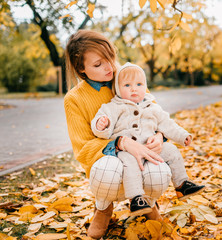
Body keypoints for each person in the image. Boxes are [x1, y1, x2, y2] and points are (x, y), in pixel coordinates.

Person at [64, 30, 172, 239]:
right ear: (81, 68)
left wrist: (159, 136)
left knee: (160, 169)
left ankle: (148, 203)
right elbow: (83, 149)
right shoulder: (74, 99)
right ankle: (104, 208)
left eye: (110, 58)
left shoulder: (126, 75)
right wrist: (121, 143)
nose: (110, 67)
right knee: (110, 167)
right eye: (98, 65)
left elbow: (155, 113)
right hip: (107, 166)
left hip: (142, 156)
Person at [91, 63, 205, 217]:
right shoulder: (113, 107)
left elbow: (168, 124)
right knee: (129, 164)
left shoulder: (152, 107)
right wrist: (102, 124)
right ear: (118, 88)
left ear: (145, 86)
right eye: (127, 85)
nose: (134, 89)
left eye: (139, 84)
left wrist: (183, 136)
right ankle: (136, 198)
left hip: (151, 148)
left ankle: (182, 185)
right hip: (128, 150)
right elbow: (102, 128)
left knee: (171, 150)